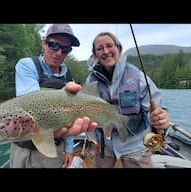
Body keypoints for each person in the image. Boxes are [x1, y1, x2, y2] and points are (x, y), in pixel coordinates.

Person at [10, 24, 96, 168]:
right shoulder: (27, 65)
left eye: (65, 49)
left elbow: (71, 117)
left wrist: (69, 150)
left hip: (53, 150)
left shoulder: (69, 77)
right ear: (44, 43)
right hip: (22, 148)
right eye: (53, 45)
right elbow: (30, 106)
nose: (58, 53)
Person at [83, 31, 170, 168]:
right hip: (105, 148)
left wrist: (161, 121)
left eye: (110, 46)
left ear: (119, 48)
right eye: (99, 49)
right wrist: (93, 140)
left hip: (136, 148)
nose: (106, 51)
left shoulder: (139, 78)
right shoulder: (90, 82)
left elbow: (157, 111)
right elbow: (86, 113)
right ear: (95, 55)